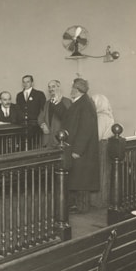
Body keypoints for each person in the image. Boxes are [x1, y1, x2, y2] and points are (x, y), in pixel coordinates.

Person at [53, 77, 99, 214]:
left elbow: (86, 129)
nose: (71, 90)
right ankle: (76, 206)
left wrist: (78, 150)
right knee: (77, 178)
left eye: (73, 88)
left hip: (81, 150)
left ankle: (82, 208)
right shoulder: (79, 102)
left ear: (78, 90)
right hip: (74, 147)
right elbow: (67, 117)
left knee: (82, 180)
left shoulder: (85, 104)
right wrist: (57, 104)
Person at [38, 80, 72, 147]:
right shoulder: (46, 103)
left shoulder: (67, 102)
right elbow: (40, 117)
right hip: (48, 140)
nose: (51, 89)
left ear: (59, 87)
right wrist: (42, 124)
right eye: (49, 87)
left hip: (61, 140)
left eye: (53, 86)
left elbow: (69, 119)